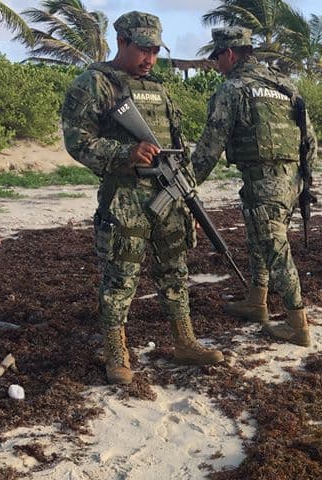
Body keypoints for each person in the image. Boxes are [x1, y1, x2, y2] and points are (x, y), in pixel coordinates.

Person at [61, 11, 224, 385]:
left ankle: (184, 341)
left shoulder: (160, 89)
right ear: (121, 42)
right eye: (143, 49)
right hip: (125, 197)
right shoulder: (95, 84)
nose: (149, 58)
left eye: (154, 50)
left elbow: (176, 147)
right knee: (121, 276)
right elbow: (77, 142)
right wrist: (124, 155)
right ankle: (116, 352)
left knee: (174, 272)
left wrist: (188, 197)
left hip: (168, 193)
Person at [191, 26, 317, 347]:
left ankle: (298, 325)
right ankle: (256, 301)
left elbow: (209, 147)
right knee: (259, 236)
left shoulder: (232, 89)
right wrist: (305, 181)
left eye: (217, 57)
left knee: (274, 247)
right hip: (292, 179)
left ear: (229, 54)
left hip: (264, 180)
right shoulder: (285, 86)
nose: (216, 64)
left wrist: (186, 188)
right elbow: (310, 140)